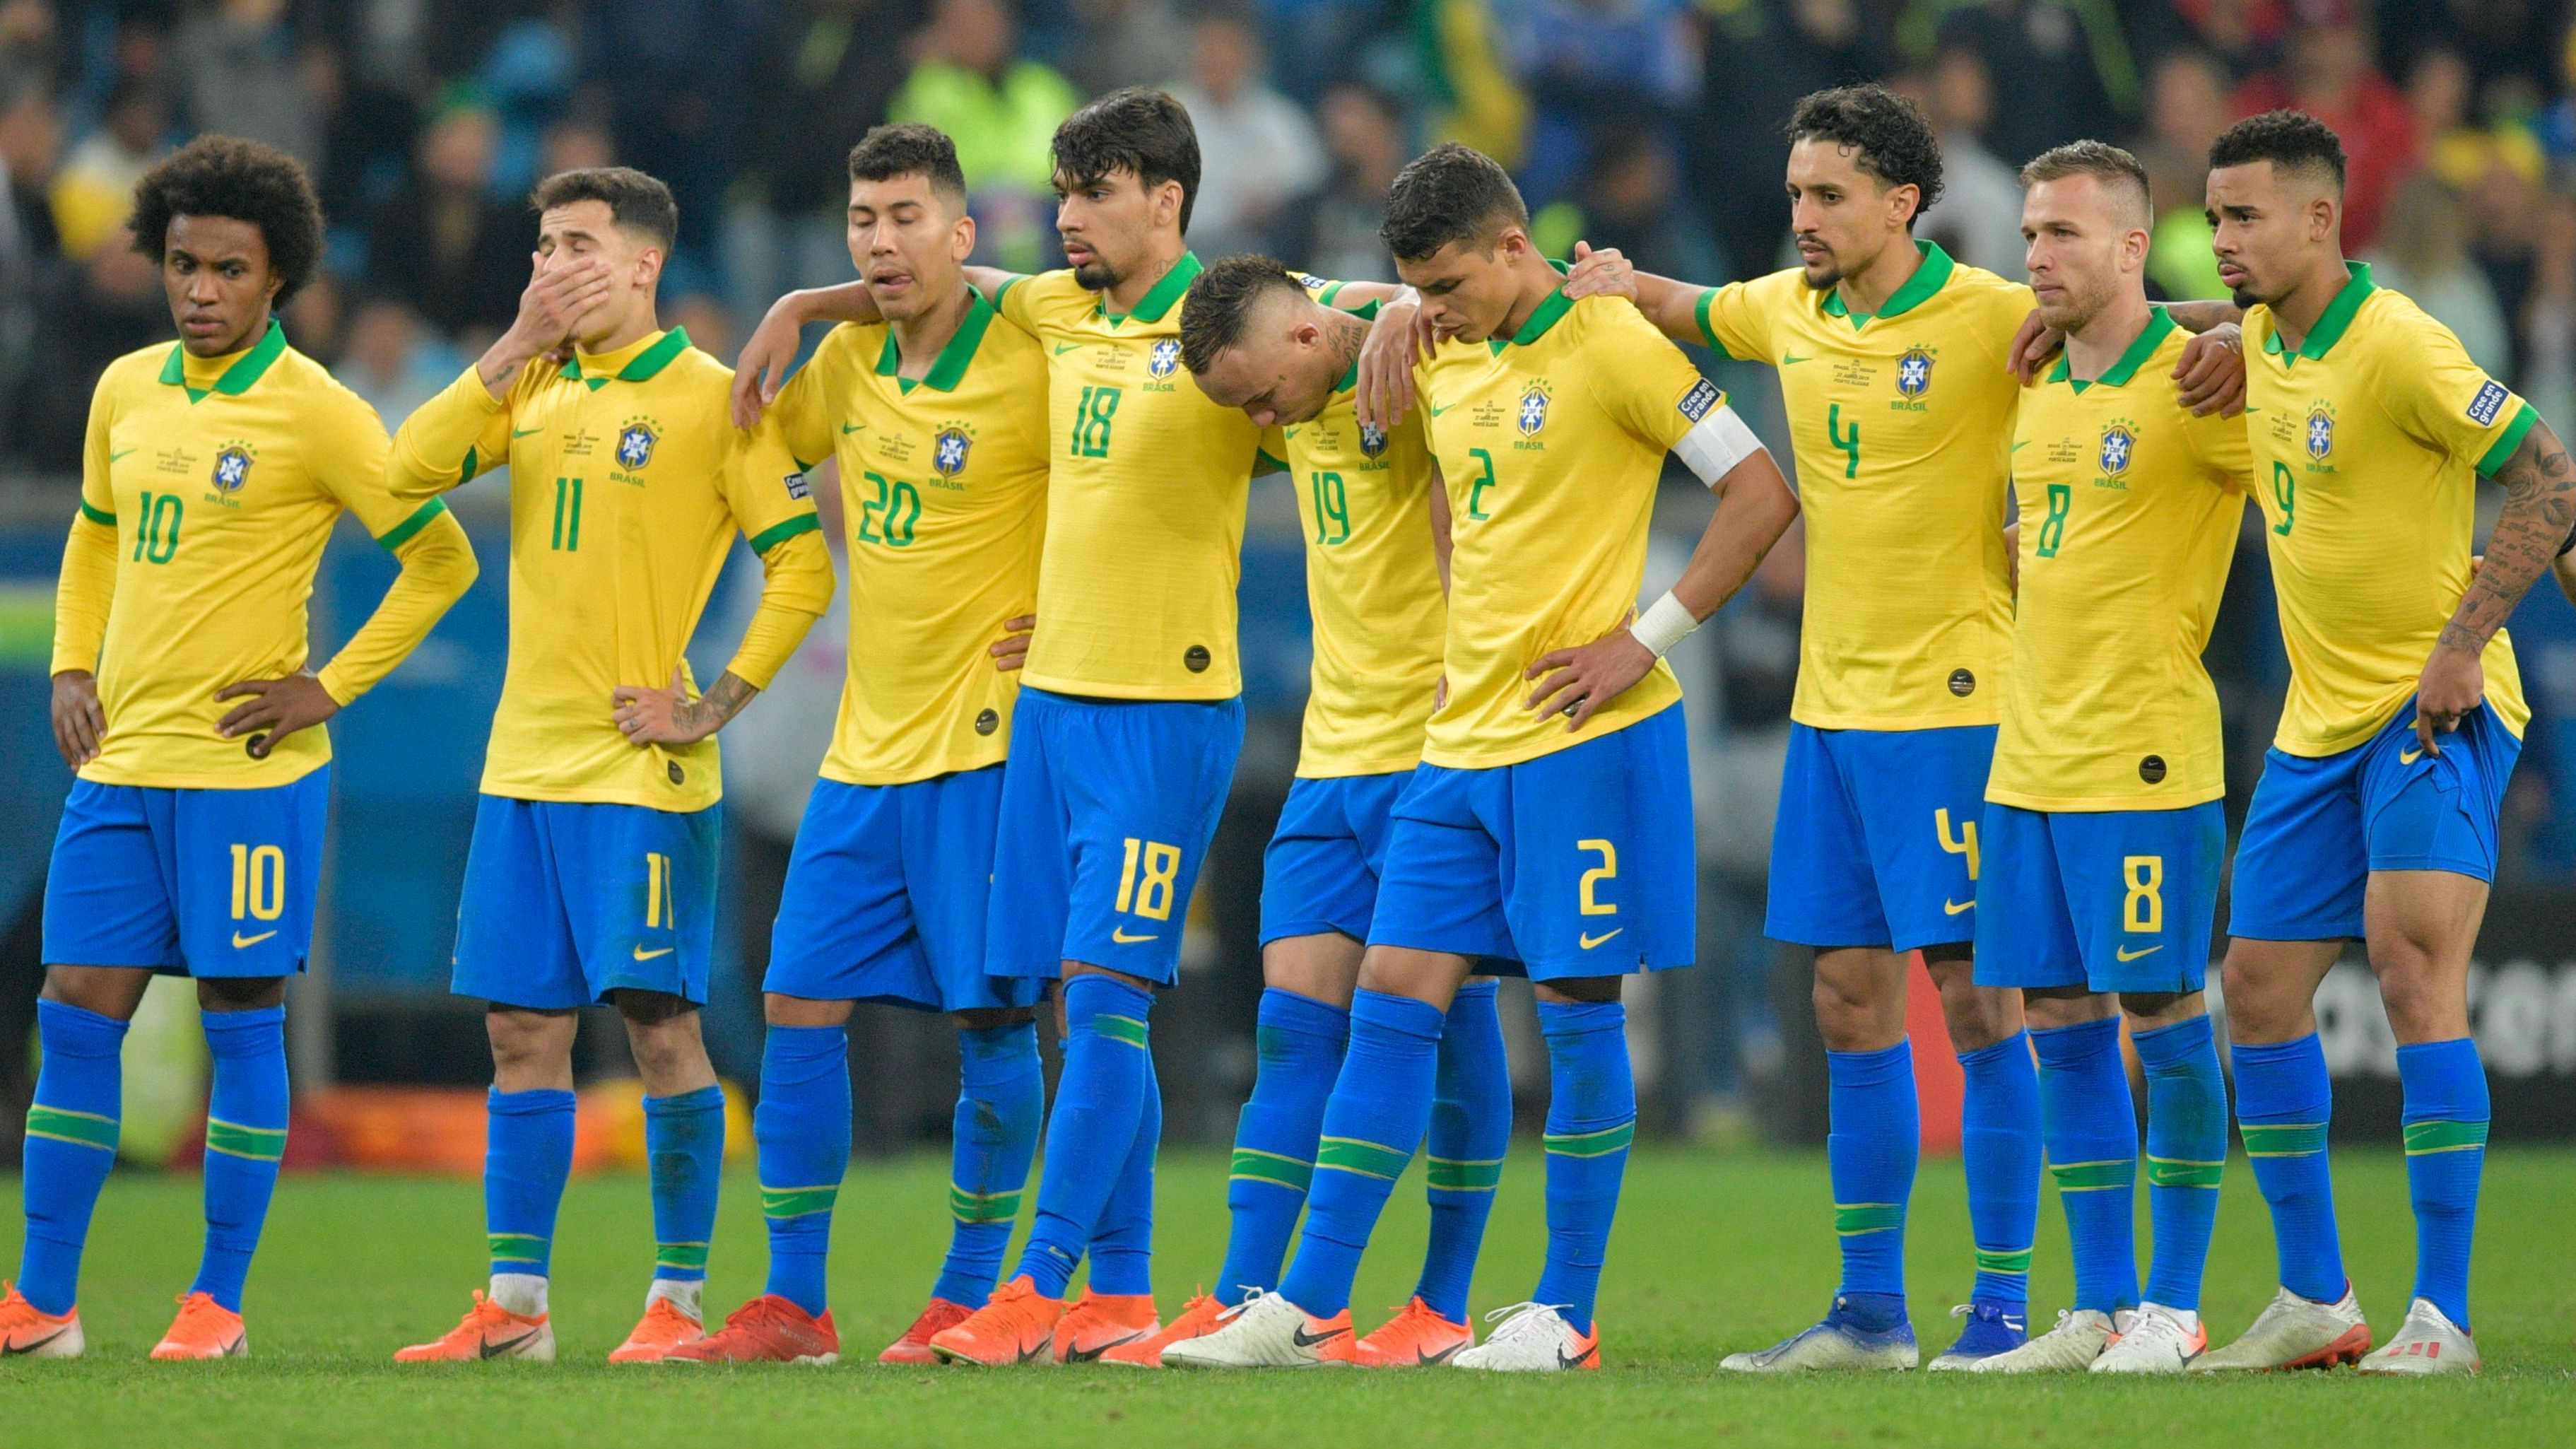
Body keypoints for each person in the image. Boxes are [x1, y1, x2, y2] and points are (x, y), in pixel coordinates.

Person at [1566, 83, 2246, 1371]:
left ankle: (2003, 1305)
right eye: (1792, 196)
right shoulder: (1786, 308)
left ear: (1900, 202)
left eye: (1826, 196)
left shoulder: (1995, 312)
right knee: (1841, 997)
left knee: (1979, 1005)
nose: (1802, 217)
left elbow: (2134, 315)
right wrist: (1598, 277)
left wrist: (2233, 331)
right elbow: (1675, 303)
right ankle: (1868, 1311)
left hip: (1957, 709)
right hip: (1831, 712)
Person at [1163, 141, 1799, 1373]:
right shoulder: (1440, 351)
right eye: (1421, 290)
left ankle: (1564, 1311)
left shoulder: (1613, 344)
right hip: (1460, 742)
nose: (1435, 308)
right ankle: (1302, 1303)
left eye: (1448, 286)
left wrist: (1644, 636)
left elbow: (1760, 491)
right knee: (1393, 989)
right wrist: (1463, 621)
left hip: (1586, 732)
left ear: (1516, 247)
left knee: (1575, 1009)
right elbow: (1457, 490)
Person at [736, 88, 1312, 1366]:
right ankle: (1117, 1296)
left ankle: (1034, 1283)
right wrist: (800, 303)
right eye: (1059, 195)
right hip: (1049, 710)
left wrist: (1400, 332)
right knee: (1075, 1002)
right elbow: (947, 273)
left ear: (1166, 200)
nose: (1065, 220)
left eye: (1093, 194)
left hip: (1165, 710)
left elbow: (1353, 316)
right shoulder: (1053, 307)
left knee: (1102, 1003)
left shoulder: (1229, 316)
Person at [1, 135, 476, 1360]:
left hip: (246, 773)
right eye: (181, 264)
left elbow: (444, 558)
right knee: (73, 1011)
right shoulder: (127, 387)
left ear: (279, 279)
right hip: (122, 762)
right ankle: (42, 1303)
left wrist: (330, 684)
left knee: (240, 1018)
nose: (200, 289)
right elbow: (96, 540)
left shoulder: (320, 410)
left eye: (227, 268)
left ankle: (216, 1301)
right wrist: (70, 661)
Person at [386, 166, 833, 1365]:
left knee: (659, 1033)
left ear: (642, 264)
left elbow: (800, 566)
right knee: (520, 1035)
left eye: (575, 245)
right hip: (521, 768)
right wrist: (506, 344)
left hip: (641, 774)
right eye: (539, 246)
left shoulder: (711, 396)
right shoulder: (527, 379)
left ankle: (676, 1301)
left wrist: (714, 701)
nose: (549, 266)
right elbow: (400, 473)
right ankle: (515, 1310)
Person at [663, 123, 1052, 1368]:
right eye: (861, 220)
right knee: (795, 1002)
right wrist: (804, 312)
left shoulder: (1038, 344)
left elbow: (1125, 468)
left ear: (962, 231)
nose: (880, 242)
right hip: (863, 749)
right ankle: (794, 1303)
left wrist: (1075, 601)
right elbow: (759, 451)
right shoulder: (846, 364)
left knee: (992, 1023)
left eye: (903, 217)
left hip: (987, 749)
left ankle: (968, 1289)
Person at [2191, 110, 2571, 1376]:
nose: (2222, 241)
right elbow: (2202, 321)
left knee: (2410, 966)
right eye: (2212, 218)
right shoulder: (2256, 332)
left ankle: (2443, 1318)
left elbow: (2552, 478)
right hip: (2315, 717)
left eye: (2243, 217)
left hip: (2434, 704)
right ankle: (2314, 1298)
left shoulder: (2401, 343)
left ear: (2319, 218)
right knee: (2253, 989)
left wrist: (2463, 641)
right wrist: (2102, 318)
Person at [1107, 257, 1512, 1368]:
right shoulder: (1318, 352)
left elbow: (1479, 312)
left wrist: (1393, 309)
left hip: (1434, 749)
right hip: (1329, 757)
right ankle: (1255, 1297)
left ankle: (1437, 1303)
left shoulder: (1412, 358)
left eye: (1257, 396)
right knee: (1293, 1029)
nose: (1255, 423)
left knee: (1447, 1017)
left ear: (1298, 337)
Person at [1966, 141, 2249, 1375]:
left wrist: (2241, 335)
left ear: (2133, 248)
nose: (2036, 256)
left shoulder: (2202, 388)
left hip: (2144, 757)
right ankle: (2098, 1302)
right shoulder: (2035, 383)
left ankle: (2175, 1307)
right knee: (2058, 1021)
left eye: (2065, 235)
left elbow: (2322, 398)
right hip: (2027, 756)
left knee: (2163, 1013)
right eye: (2030, 232)